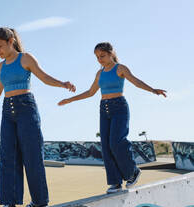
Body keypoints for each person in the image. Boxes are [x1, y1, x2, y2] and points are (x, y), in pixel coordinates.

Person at [0, 27, 76, 207]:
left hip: (26, 108)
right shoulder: (1, 67)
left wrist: (63, 83)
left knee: (32, 154)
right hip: (7, 110)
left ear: (11, 41)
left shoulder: (25, 58)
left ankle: (39, 200)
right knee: (7, 157)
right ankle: (9, 204)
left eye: (0, 46)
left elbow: (44, 77)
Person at [58, 42, 166, 194]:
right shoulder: (99, 73)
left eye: (102, 56)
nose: (99, 59)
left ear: (110, 53)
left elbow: (136, 82)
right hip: (104, 109)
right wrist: (69, 100)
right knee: (106, 146)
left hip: (119, 107)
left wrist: (153, 90)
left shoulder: (120, 68)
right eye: (97, 57)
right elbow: (90, 92)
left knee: (117, 141)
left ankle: (132, 171)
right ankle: (115, 182)